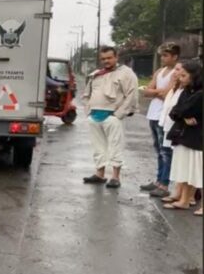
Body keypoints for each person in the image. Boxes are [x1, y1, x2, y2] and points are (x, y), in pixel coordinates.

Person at [81, 46, 139, 188]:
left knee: (115, 146)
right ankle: (99, 174)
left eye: (109, 58)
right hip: (94, 116)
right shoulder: (96, 74)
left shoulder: (126, 73)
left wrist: (118, 114)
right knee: (98, 147)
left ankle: (115, 177)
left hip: (112, 116)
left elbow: (131, 95)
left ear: (116, 57)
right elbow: (86, 94)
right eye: (103, 59)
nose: (106, 61)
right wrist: (88, 111)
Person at [162, 60, 203, 213]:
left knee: (196, 172)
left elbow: (182, 110)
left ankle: (189, 200)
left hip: (196, 138)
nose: (181, 79)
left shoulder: (199, 94)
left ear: (194, 76)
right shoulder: (186, 91)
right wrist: (183, 117)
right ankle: (184, 200)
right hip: (184, 136)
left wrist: (181, 114)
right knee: (185, 170)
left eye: (184, 75)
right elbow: (174, 112)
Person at [141, 43, 180, 198]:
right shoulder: (159, 71)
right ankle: (158, 180)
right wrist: (157, 91)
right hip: (153, 114)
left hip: (165, 115)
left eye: (166, 55)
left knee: (166, 151)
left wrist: (154, 92)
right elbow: (146, 92)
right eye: (162, 55)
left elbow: (167, 94)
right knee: (158, 149)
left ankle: (164, 184)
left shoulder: (176, 73)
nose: (162, 58)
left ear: (175, 56)